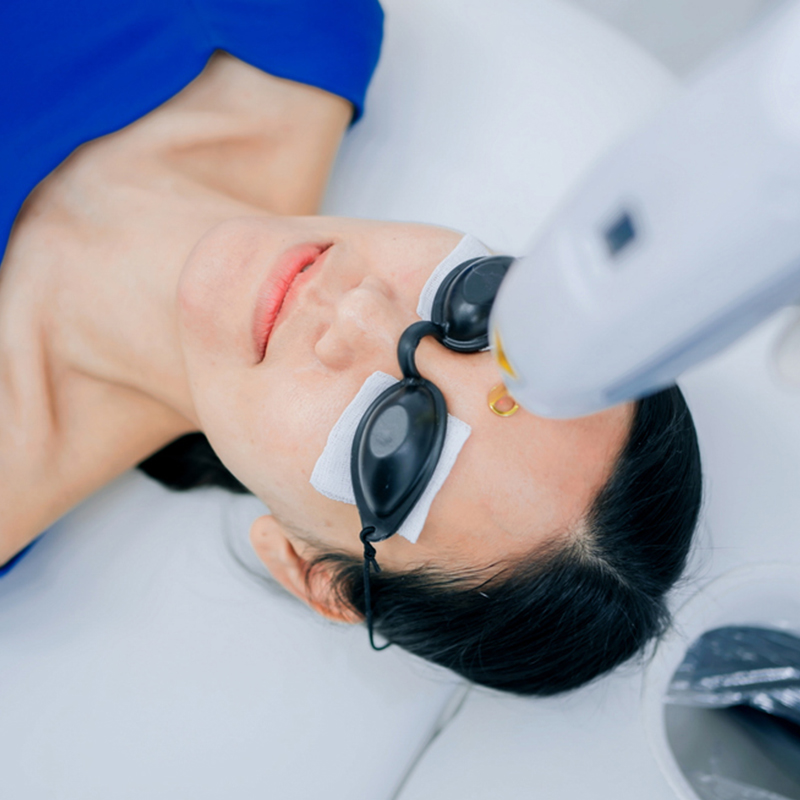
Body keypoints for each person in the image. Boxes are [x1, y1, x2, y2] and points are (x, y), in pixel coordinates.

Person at [0, 0, 702, 695]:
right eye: (480, 312)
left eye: (390, 442)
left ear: (306, 568)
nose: (364, 314)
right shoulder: (305, 20)